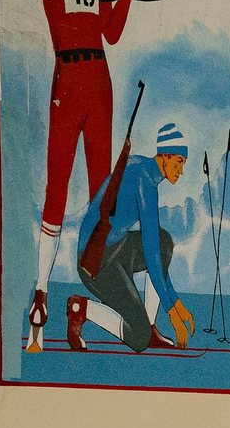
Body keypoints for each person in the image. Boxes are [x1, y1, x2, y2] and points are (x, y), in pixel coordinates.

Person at [27, 0, 155, 352]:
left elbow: (112, 33)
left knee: (104, 188)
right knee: (57, 186)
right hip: (69, 77)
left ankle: (109, 291)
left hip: (99, 79)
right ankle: (40, 293)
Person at [70, 120, 197, 353]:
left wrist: (177, 303)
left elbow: (156, 251)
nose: (181, 170)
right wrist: (172, 312)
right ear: (165, 157)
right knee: (137, 339)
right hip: (96, 264)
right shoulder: (144, 181)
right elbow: (150, 251)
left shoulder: (143, 168)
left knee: (164, 242)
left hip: (118, 249)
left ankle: (150, 325)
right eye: (179, 162)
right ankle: (82, 308)